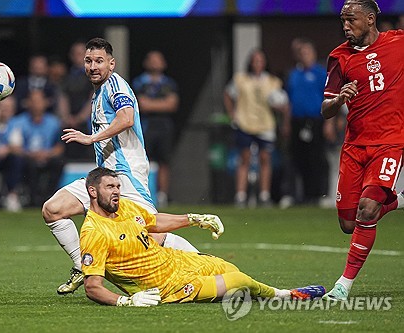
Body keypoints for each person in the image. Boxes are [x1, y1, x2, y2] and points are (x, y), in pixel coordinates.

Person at [42, 37, 200, 295]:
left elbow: (126, 118)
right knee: (53, 209)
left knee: (149, 234)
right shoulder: (98, 93)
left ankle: (201, 260)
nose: (93, 66)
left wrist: (91, 137)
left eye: (99, 61)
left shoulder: (116, 85)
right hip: (103, 178)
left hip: (127, 177)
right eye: (89, 61)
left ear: (111, 64)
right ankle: (82, 265)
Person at [80, 167, 325, 306]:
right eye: (110, 188)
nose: (116, 192)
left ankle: (246, 295)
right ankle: (286, 295)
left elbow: (155, 222)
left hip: (177, 262)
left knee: (228, 267)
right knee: (240, 280)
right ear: (93, 191)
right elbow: (92, 287)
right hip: (167, 286)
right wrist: (126, 301)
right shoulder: (94, 232)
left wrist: (194, 218)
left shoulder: (124, 207)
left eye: (118, 187)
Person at [321, 0, 404, 301]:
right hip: (354, 147)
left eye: (351, 20)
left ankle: (343, 285)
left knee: (367, 210)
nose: (345, 26)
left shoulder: (398, 43)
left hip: (390, 143)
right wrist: (339, 100)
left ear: (370, 19)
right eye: (342, 20)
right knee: (347, 223)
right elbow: (325, 109)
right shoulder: (338, 57)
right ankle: (396, 202)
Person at [223, 49, 289, 208]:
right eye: (255, 60)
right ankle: (240, 195)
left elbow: (283, 104)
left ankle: (264, 194)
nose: (257, 63)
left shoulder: (273, 81)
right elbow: (227, 94)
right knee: (244, 158)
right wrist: (232, 114)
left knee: (265, 159)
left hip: (265, 124)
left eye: (260, 60)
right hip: (245, 122)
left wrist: (280, 111)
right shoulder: (241, 79)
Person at [286, 39, 334, 205]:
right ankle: (302, 194)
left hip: (316, 120)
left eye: (308, 52)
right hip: (298, 121)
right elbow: (289, 101)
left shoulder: (321, 74)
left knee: (316, 158)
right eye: (302, 53)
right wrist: (287, 123)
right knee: (300, 158)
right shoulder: (294, 75)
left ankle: (318, 194)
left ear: (313, 55)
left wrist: (329, 123)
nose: (305, 56)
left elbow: (329, 98)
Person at [132, 50, 179, 207]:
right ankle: (143, 193)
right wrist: (162, 104)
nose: (155, 63)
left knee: (164, 161)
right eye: (152, 60)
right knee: (143, 160)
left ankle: (162, 195)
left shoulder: (169, 84)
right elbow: (141, 104)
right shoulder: (139, 82)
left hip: (164, 127)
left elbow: (172, 104)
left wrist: (152, 105)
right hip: (146, 126)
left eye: (158, 60)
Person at [12, 90, 64, 207]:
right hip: (27, 157)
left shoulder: (54, 122)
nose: (37, 104)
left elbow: (59, 147)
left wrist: (47, 154)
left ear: (45, 103)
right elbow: (14, 147)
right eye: (33, 101)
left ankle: (50, 196)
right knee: (25, 164)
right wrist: (31, 154)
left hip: (47, 156)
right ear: (28, 103)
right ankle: (33, 199)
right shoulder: (18, 122)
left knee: (58, 162)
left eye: (39, 101)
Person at [59, 41, 94, 162]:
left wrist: (80, 118)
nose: (78, 57)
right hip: (69, 122)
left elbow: (93, 98)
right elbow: (63, 97)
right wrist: (66, 117)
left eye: (81, 54)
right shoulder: (66, 77)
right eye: (75, 54)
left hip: (87, 122)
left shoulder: (94, 75)